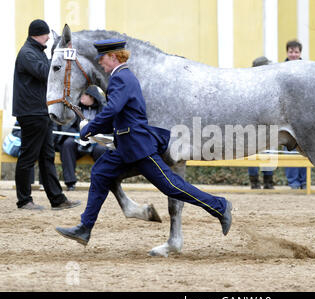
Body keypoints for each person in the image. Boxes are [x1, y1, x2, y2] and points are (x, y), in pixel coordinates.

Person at [55, 39, 232, 245]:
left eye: (102, 59)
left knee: (172, 187)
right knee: (100, 173)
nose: (100, 63)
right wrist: (92, 129)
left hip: (138, 145)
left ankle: (219, 206)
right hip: (127, 144)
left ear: (113, 57)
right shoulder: (122, 77)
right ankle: (85, 228)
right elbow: (116, 116)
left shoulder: (120, 78)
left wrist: (89, 128)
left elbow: (112, 111)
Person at [12, 19, 81, 210]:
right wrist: (58, 55)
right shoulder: (28, 53)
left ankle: (57, 199)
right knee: (28, 156)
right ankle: (24, 200)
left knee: (47, 156)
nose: (49, 37)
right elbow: (47, 73)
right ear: (37, 34)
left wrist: (54, 55)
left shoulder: (36, 52)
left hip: (41, 112)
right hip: (32, 112)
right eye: (46, 34)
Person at [54, 85, 108, 191]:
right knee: (68, 144)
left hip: (96, 141)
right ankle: (70, 183)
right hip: (79, 139)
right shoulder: (75, 108)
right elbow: (69, 126)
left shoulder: (103, 109)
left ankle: (101, 183)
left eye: (84, 95)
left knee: (102, 150)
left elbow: (107, 128)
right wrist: (77, 134)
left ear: (92, 97)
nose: (81, 97)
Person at [248, 56, 276, 189]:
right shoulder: (250, 85)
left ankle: (268, 180)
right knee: (252, 153)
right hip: (254, 125)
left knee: (269, 153)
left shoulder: (271, 84)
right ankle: (254, 181)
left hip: (268, 124)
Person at [283, 40, 306, 189]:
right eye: (291, 51)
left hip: (303, 117)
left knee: (305, 150)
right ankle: (293, 183)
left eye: (296, 51)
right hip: (285, 117)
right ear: (287, 52)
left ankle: (304, 182)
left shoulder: (306, 69)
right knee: (289, 151)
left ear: (300, 53)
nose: (293, 54)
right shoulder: (280, 69)